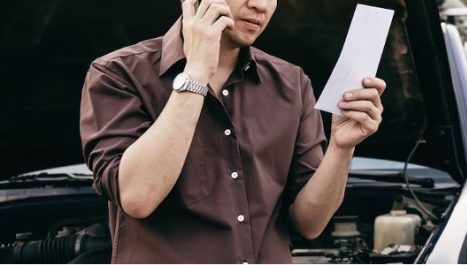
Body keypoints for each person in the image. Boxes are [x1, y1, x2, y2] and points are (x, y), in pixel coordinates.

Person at [78, 0, 386, 263]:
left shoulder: (292, 84)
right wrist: (197, 71)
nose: (260, 5)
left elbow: (310, 224)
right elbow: (138, 197)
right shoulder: (117, 73)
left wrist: (342, 148)